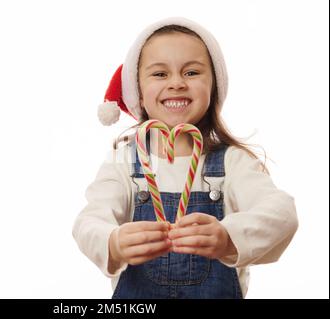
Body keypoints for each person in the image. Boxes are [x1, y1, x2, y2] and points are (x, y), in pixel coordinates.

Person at [72, 17, 298, 299]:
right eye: (159, 74)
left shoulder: (233, 163)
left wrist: (228, 238)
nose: (177, 83)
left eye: (191, 72)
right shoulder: (123, 162)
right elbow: (88, 221)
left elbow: (282, 213)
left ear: (213, 86)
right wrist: (113, 242)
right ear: (139, 93)